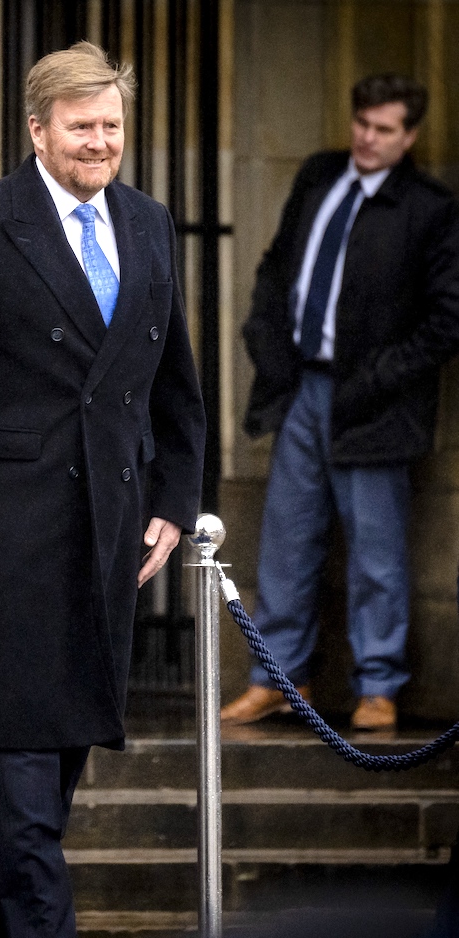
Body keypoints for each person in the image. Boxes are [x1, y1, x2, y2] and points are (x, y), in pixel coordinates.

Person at [0, 42, 206, 938]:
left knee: (67, 728)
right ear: (38, 130)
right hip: (4, 522)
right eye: (82, 128)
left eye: (111, 126)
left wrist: (174, 504)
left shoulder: (149, 225)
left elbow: (174, 386)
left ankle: (2, 937)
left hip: (113, 521)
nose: (100, 143)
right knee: (25, 729)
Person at [222, 75, 459, 732]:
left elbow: (447, 320)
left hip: (376, 404)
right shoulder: (321, 176)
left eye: (383, 130)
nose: (367, 138)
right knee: (286, 542)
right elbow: (275, 269)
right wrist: (265, 342)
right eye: (361, 123)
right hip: (302, 387)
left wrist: (375, 378)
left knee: (377, 552)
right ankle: (276, 678)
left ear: (409, 136)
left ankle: (379, 686)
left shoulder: (429, 207)